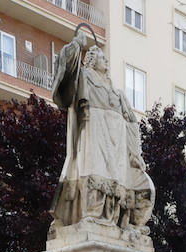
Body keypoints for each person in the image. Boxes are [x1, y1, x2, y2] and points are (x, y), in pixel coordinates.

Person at [49, 27, 154, 234]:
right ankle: (93, 215)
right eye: (101, 58)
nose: (106, 61)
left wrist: (135, 153)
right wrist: (78, 44)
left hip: (117, 143)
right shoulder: (84, 77)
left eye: (106, 58)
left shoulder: (117, 92)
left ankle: (114, 218)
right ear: (90, 60)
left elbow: (132, 122)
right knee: (94, 172)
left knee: (122, 182)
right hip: (94, 131)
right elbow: (65, 69)